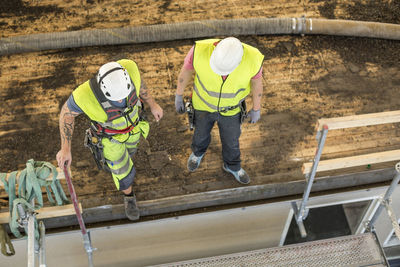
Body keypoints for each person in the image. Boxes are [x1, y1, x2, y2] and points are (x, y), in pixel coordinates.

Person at [56, 59, 163, 220]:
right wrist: (65, 148)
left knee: (132, 151)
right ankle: (129, 196)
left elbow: (141, 85)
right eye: (116, 99)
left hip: (134, 129)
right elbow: (66, 114)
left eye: (123, 97)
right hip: (111, 140)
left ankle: (129, 157)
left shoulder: (130, 68)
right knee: (121, 169)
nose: (121, 102)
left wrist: (153, 104)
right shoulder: (84, 95)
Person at [175, 37, 264, 184]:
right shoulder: (199, 50)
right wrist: (178, 94)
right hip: (202, 106)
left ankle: (232, 166)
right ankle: (198, 152)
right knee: (200, 133)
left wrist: (256, 108)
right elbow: (186, 71)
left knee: (231, 141)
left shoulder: (253, 58)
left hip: (231, 110)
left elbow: (257, 84)